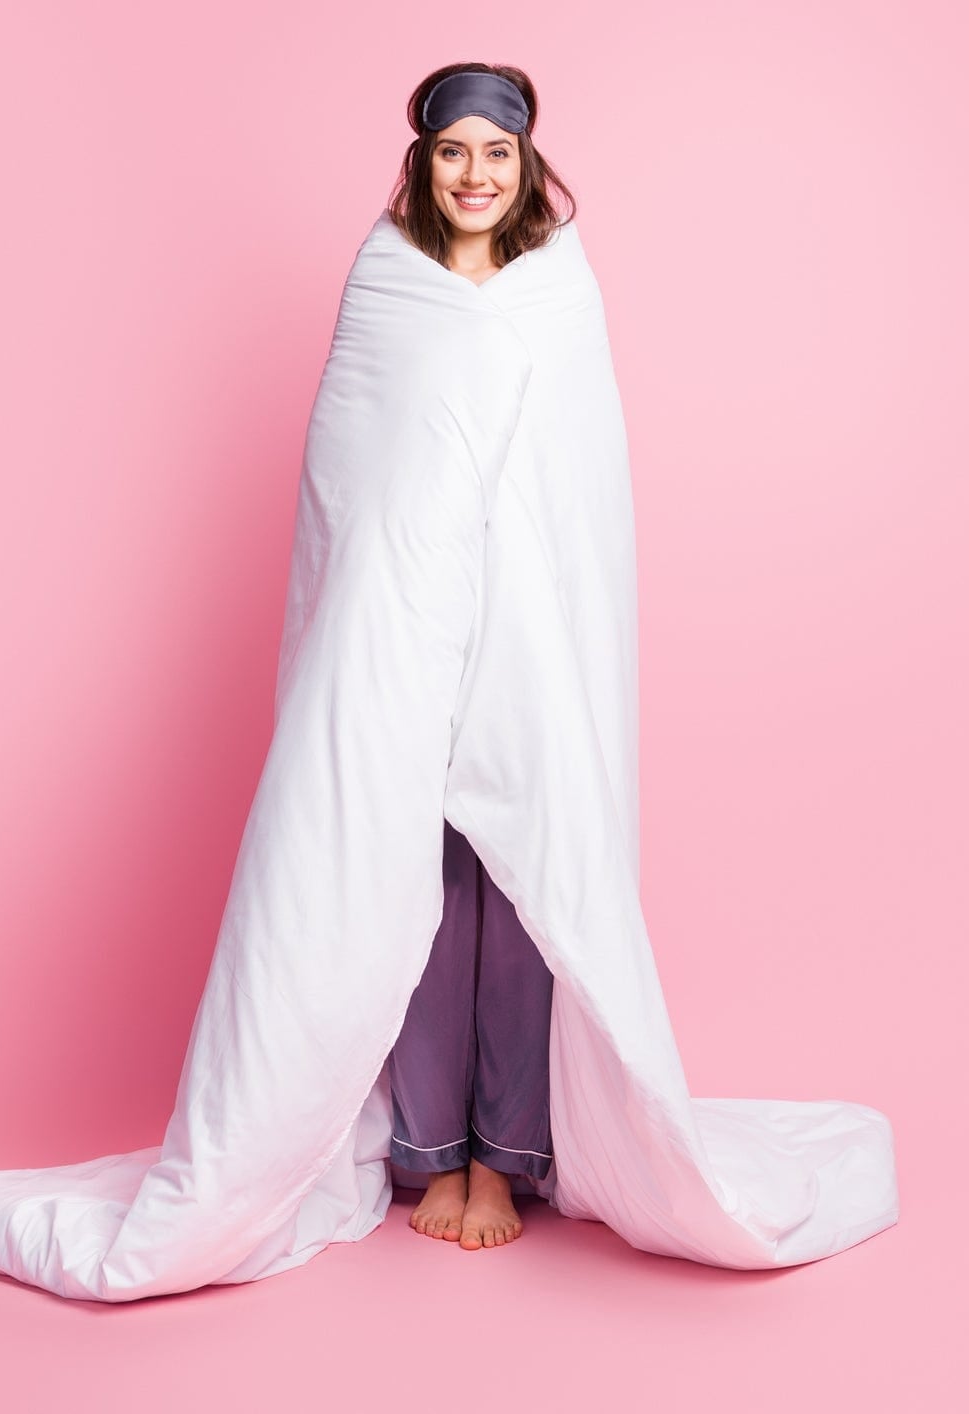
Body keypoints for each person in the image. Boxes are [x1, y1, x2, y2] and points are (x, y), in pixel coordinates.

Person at [381, 63, 577, 1252]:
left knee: (518, 881)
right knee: (419, 883)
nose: (474, 174)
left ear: (526, 164)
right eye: (452, 151)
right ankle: (427, 1150)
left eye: (495, 152)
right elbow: (357, 465)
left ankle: (503, 1156)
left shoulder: (556, 294)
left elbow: (575, 475)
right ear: (422, 162)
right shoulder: (388, 287)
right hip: (411, 620)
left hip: (527, 622)